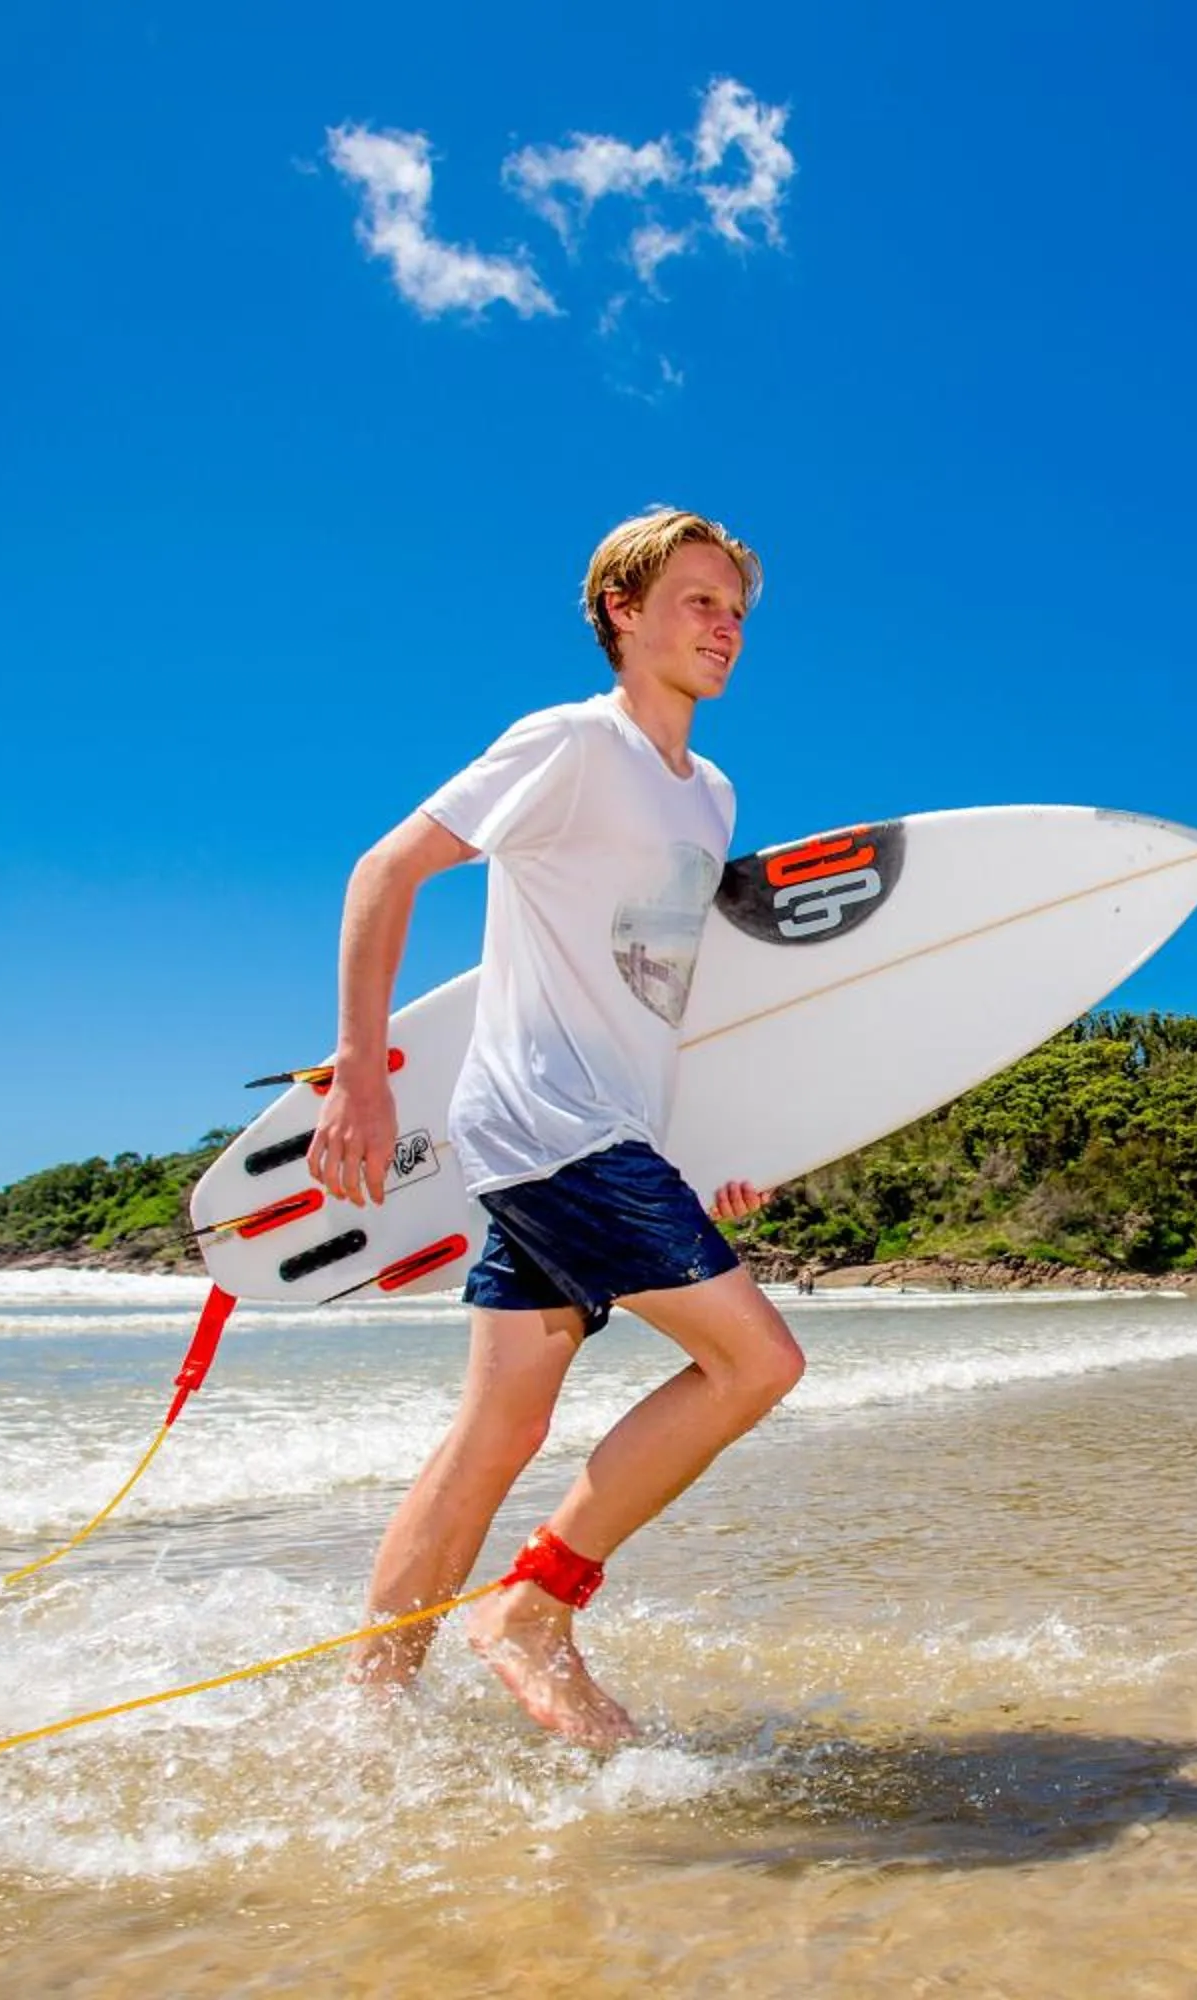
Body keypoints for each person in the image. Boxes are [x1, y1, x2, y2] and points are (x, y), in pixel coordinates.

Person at [308, 508, 799, 1748]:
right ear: (623, 614)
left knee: (499, 1429)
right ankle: (535, 1603)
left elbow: (656, 989)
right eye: (696, 600)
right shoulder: (574, 742)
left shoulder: (713, 795)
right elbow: (385, 870)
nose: (724, 625)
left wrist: (696, 1156)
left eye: (735, 607)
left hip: (608, 1132)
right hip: (552, 1125)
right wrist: (365, 1073)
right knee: (758, 1363)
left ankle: (372, 1711)